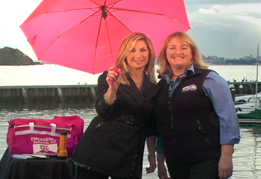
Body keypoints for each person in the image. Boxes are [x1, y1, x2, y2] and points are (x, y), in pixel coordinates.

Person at [72, 32, 160, 179]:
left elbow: (150, 125)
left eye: (143, 49)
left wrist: (152, 155)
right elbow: (102, 110)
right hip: (99, 147)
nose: (138, 55)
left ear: (149, 53)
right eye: (132, 50)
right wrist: (113, 88)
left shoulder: (153, 87)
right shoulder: (109, 77)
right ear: (124, 53)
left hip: (130, 152)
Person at [154, 31, 241, 179]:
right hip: (175, 161)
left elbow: (228, 119)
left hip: (206, 158)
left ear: (192, 53)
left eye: (184, 47)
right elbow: (161, 125)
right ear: (165, 54)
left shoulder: (209, 79)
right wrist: (160, 160)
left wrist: (226, 157)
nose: (178, 52)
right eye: (172, 48)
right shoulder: (162, 85)